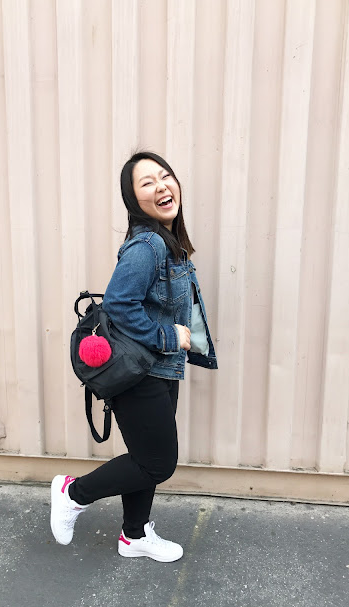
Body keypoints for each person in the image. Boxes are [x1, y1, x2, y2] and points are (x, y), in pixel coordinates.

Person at [50, 151, 217, 562]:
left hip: (159, 368)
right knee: (158, 464)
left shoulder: (168, 243)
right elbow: (120, 304)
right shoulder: (147, 245)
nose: (161, 186)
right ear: (134, 199)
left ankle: (135, 534)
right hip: (140, 372)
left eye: (165, 176)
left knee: (146, 458)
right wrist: (168, 335)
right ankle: (73, 493)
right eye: (147, 182)